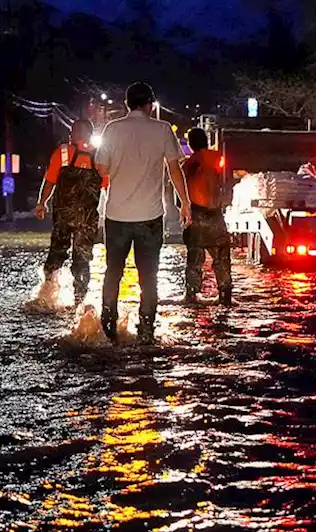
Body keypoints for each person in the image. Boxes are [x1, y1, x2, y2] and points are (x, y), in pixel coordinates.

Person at [94, 81, 191, 346]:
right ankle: (146, 329)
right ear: (149, 104)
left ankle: (109, 322)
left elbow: (101, 169)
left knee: (113, 271)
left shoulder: (112, 129)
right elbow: (174, 170)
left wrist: (118, 167)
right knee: (149, 275)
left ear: (127, 104)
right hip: (150, 216)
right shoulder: (162, 130)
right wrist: (186, 204)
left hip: (116, 215)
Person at [35, 119, 104, 299]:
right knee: (82, 259)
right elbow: (108, 186)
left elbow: (50, 181)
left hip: (63, 218)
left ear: (72, 134)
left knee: (56, 254)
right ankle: (79, 299)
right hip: (87, 220)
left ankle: (47, 295)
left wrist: (41, 203)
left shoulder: (62, 152)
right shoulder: (100, 157)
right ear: (90, 134)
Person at [181, 127, 233, 306]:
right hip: (217, 216)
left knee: (195, 260)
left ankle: (192, 295)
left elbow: (180, 194)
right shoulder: (219, 158)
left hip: (197, 216)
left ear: (191, 144)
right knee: (222, 260)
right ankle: (225, 296)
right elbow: (226, 181)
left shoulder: (189, 164)